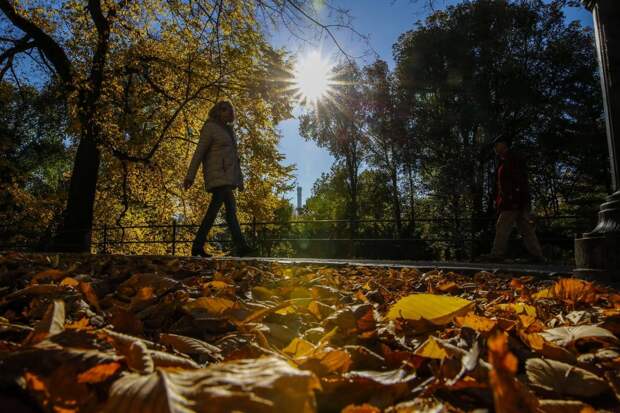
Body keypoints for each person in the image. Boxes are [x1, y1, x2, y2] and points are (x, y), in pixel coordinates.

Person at [183, 101, 251, 257]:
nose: (230, 113)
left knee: (230, 211)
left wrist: (239, 180)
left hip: (227, 178)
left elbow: (235, 159)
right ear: (218, 111)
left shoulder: (229, 132)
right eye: (227, 110)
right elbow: (199, 152)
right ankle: (199, 246)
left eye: (232, 110)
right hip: (218, 175)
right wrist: (190, 176)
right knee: (216, 211)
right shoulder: (210, 128)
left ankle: (238, 245)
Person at [486, 136, 546, 263]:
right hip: (515, 201)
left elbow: (518, 180)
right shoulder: (505, 161)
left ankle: (497, 254)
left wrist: (514, 198)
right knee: (525, 228)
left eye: (497, 145)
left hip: (512, 201)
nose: (495, 148)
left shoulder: (511, 160)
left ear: (503, 145)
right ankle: (537, 255)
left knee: (502, 226)